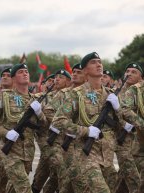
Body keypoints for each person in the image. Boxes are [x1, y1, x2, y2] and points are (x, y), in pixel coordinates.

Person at [52, 52, 120, 193]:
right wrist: (86, 131)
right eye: (94, 62)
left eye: (100, 62)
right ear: (85, 70)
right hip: (87, 156)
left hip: (108, 157)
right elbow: (58, 121)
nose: (99, 64)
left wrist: (118, 109)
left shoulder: (110, 94)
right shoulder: (76, 94)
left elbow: (123, 125)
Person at [0, 63, 47, 193]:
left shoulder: (35, 100)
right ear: (13, 78)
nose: (25, 74)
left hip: (28, 153)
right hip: (10, 151)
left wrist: (40, 113)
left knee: (12, 189)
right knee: (24, 188)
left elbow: (44, 126)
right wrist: (6, 133)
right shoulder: (3, 97)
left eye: (26, 72)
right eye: (21, 72)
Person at [114, 63, 142, 193]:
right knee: (135, 180)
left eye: (134, 72)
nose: (129, 74)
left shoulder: (140, 92)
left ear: (140, 77)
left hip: (138, 142)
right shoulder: (116, 92)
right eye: (127, 71)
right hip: (122, 141)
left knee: (123, 181)